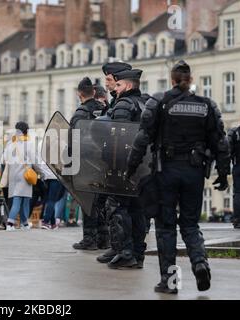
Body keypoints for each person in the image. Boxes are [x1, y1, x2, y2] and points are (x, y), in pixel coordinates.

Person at [127, 60, 231, 293]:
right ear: (190, 80)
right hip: (194, 173)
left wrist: (130, 167)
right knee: (190, 224)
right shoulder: (207, 105)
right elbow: (220, 142)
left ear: (172, 79)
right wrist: (223, 172)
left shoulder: (159, 102)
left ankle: (170, 281)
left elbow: (142, 137)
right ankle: (199, 262)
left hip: (166, 172)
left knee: (166, 227)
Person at [96, 68, 148, 269]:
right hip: (142, 166)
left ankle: (125, 252)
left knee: (116, 207)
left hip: (122, 166)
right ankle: (137, 254)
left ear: (127, 85)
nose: (115, 89)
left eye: (118, 85)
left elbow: (118, 137)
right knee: (137, 210)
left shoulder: (124, 104)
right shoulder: (145, 102)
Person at [70, 77, 109, 250]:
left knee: (88, 202)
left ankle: (89, 239)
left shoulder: (80, 113)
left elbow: (73, 142)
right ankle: (104, 238)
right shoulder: (106, 110)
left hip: (86, 162)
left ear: (79, 94)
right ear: (94, 92)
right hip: (105, 162)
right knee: (102, 202)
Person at [3, 122, 40, 231]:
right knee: (19, 199)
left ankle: (24, 223)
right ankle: (10, 223)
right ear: (26, 131)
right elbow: (35, 161)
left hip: (13, 175)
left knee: (25, 199)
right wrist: (42, 173)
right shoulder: (29, 144)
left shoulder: (11, 144)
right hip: (24, 175)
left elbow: (4, 159)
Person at [227, 123, 240, 229]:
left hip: (238, 165)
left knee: (238, 193)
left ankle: (237, 219)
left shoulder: (235, 132)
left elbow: (228, 149)